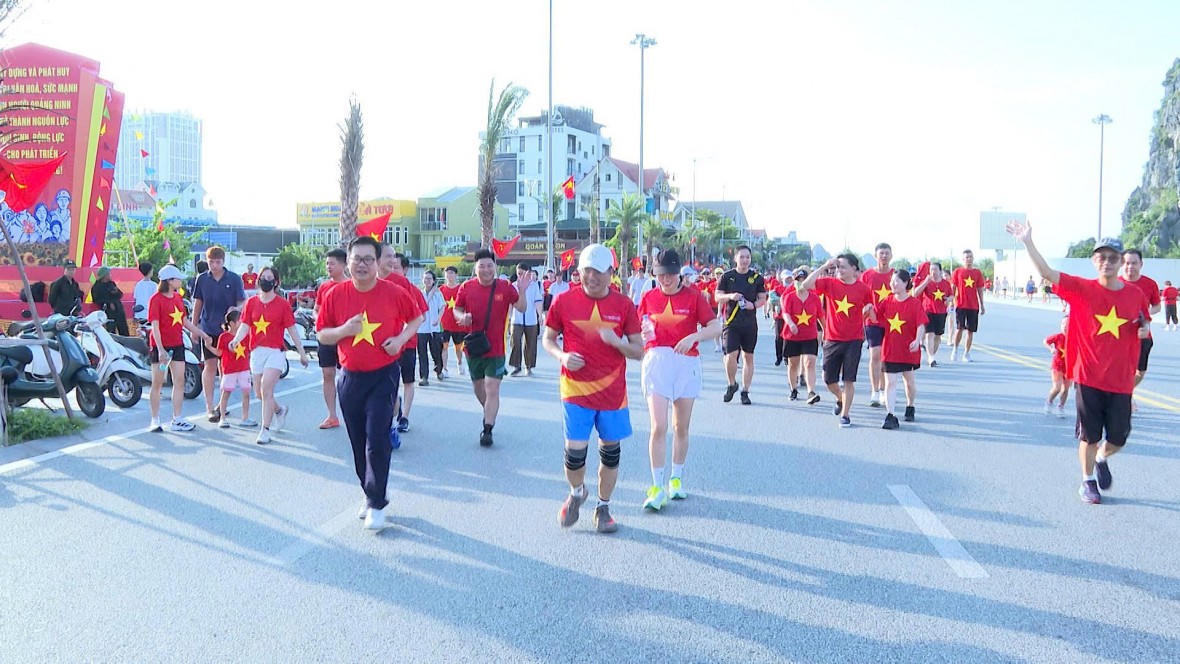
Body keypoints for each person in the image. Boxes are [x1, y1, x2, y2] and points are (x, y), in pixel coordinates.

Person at [1008, 222, 1150, 505]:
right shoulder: (1082, 288)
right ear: (1094, 261)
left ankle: (1102, 458)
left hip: (1121, 380)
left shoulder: (1135, 295)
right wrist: (1027, 242)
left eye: (1113, 257)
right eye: (1102, 257)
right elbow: (1047, 273)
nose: (1107, 262)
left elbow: (1143, 321)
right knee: (1089, 435)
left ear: (1120, 261)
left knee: (1119, 438)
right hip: (1088, 376)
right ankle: (1087, 481)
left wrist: (1144, 329)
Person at [318, 236, 422, 531]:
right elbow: (323, 334)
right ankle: (370, 491)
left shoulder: (393, 292)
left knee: (377, 438)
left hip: (383, 374)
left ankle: (377, 503)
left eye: (368, 259)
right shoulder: (335, 294)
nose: (362, 264)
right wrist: (344, 330)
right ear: (348, 262)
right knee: (358, 441)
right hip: (350, 377)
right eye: (357, 259)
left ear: (377, 263)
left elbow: (416, 318)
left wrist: (400, 339)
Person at [543, 243, 643, 532]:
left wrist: (618, 343)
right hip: (575, 390)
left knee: (610, 453)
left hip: (612, 393)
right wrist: (562, 356)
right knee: (574, 454)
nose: (592, 277)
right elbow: (548, 339)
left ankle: (603, 507)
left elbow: (638, 350)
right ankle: (577, 493)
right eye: (587, 271)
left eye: (598, 272)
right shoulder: (564, 301)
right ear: (579, 271)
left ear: (611, 272)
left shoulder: (624, 305)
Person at [635, 249, 721, 511]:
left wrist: (694, 337)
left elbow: (716, 327)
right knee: (658, 427)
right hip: (657, 362)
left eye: (670, 274)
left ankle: (676, 479)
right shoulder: (648, 297)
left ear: (679, 274)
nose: (666, 279)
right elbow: (638, 327)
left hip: (686, 363)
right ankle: (657, 486)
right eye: (661, 275)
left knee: (680, 426)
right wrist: (642, 334)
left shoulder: (694, 297)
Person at [453, 248, 534, 447]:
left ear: (495, 267)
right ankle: (489, 410)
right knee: (479, 388)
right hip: (473, 347)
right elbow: (457, 309)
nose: (486, 270)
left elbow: (522, 307)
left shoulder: (505, 287)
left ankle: (487, 429)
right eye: (482, 266)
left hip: (496, 348)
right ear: (475, 268)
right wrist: (462, 317)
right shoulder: (466, 287)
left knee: (492, 388)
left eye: (490, 266)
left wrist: (522, 291)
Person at [231, 266, 308, 444]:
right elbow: (245, 326)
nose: (266, 280)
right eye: (263, 277)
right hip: (257, 351)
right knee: (259, 393)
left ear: (276, 282)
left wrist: (302, 352)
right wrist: (236, 340)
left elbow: (292, 329)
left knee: (267, 389)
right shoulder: (251, 303)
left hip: (275, 351)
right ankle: (279, 410)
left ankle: (264, 430)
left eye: (269, 277)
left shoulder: (283, 304)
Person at [798, 254, 876, 428]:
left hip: (854, 339)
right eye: (837, 267)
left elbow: (870, 311)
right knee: (828, 379)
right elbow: (805, 285)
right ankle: (841, 398)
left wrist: (868, 310)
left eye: (843, 267)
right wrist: (824, 266)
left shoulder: (863, 289)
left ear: (854, 269)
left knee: (849, 379)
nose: (839, 270)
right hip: (832, 338)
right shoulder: (829, 283)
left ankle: (845, 415)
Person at [147, 265, 210, 433]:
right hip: (161, 348)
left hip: (177, 345)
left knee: (179, 381)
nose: (180, 281)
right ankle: (155, 419)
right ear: (169, 281)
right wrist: (161, 350)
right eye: (177, 279)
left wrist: (202, 334)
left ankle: (177, 418)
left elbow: (184, 321)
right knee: (158, 383)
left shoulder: (177, 298)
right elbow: (155, 326)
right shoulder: (155, 299)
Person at [190, 246, 246, 423]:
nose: (214, 265)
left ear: (223, 261)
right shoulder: (202, 279)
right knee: (210, 365)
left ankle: (222, 405)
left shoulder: (234, 279)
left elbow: (242, 302)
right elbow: (198, 303)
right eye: (211, 262)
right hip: (208, 328)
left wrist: (236, 308)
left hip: (229, 331)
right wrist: (194, 328)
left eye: (218, 262)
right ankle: (209, 407)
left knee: (226, 368)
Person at [380, 249, 429, 433]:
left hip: (408, 344)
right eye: (390, 264)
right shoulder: (376, 284)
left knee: (408, 381)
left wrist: (404, 333)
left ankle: (405, 417)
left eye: (396, 266)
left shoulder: (410, 288)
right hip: (387, 345)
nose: (393, 269)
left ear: (405, 269)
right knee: (390, 384)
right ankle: (395, 406)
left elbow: (421, 316)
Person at [875, 269, 927, 429]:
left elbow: (921, 324)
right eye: (891, 281)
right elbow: (875, 317)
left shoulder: (914, 303)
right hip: (890, 349)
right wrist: (868, 310)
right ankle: (890, 415)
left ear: (905, 283)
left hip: (908, 349)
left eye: (896, 281)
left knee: (909, 381)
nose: (892, 284)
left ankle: (910, 405)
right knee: (890, 382)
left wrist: (917, 340)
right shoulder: (887, 301)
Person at [715, 245, 768, 405]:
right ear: (736, 258)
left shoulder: (757, 278)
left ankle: (745, 391)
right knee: (730, 355)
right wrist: (731, 296)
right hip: (731, 323)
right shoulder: (727, 276)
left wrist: (754, 305)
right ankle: (732, 384)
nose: (745, 260)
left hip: (749, 324)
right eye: (742, 257)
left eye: (747, 257)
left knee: (748, 357)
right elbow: (717, 296)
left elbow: (762, 298)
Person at [1119, 249, 1162, 400]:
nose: (1130, 266)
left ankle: (1126, 393)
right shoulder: (1115, 283)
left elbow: (1157, 306)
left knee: (1140, 372)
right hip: (1120, 336)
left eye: (1134, 263)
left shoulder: (1150, 284)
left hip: (1143, 335)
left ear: (1141, 264)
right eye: (1126, 263)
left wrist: (1145, 313)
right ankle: (1121, 397)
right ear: (1121, 264)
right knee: (1121, 370)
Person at [314, 248, 349, 428]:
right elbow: (316, 309)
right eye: (327, 263)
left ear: (343, 265)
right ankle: (332, 415)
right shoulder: (324, 287)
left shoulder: (351, 285)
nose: (328, 266)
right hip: (327, 337)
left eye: (332, 263)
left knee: (349, 376)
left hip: (346, 337)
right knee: (327, 374)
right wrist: (318, 319)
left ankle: (353, 414)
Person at [207, 310, 255, 429]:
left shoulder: (246, 335)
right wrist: (208, 346)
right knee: (226, 393)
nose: (242, 323)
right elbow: (219, 353)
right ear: (232, 323)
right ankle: (222, 418)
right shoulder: (224, 337)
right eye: (239, 321)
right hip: (229, 370)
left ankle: (245, 418)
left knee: (246, 393)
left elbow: (251, 348)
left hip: (244, 368)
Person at [859, 243, 894, 407]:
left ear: (891, 255)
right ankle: (875, 391)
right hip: (872, 320)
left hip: (893, 322)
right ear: (876, 256)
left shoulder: (895, 275)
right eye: (881, 253)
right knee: (875, 355)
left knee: (886, 357)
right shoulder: (867, 275)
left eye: (887, 253)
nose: (884, 256)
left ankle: (883, 389)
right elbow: (859, 295)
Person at [781, 266, 823, 404]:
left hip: (810, 336)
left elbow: (821, 317)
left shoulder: (815, 298)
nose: (801, 282)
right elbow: (785, 313)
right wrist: (791, 324)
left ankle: (811, 392)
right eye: (798, 280)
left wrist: (827, 332)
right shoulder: (790, 297)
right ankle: (793, 389)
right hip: (792, 336)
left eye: (804, 280)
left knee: (810, 362)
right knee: (793, 364)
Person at [508, 262, 545, 377]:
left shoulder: (534, 286)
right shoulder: (513, 286)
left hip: (531, 319)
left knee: (531, 343)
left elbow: (538, 301)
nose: (519, 276)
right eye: (518, 273)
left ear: (527, 273)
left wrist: (540, 316)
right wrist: (509, 317)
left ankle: (528, 367)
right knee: (515, 341)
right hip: (516, 319)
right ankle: (516, 366)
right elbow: (510, 303)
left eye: (521, 273)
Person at [950, 250, 986, 362]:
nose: (969, 259)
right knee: (959, 328)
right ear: (963, 259)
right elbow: (953, 288)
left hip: (973, 306)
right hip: (961, 304)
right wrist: (951, 302)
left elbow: (980, 289)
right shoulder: (958, 271)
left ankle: (966, 353)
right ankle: (955, 349)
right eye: (967, 257)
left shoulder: (977, 273)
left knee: (970, 330)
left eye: (970, 257)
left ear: (973, 258)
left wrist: (982, 304)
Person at [438, 266, 468, 376]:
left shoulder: (461, 288)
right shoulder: (441, 289)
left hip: (458, 324)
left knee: (458, 348)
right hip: (444, 324)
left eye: (451, 273)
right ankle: (445, 368)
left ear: (456, 275)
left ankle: (460, 363)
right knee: (444, 347)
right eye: (447, 273)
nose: (449, 275)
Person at [920, 263, 952, 367]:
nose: (933, 272)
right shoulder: (927, 282)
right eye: (931, 270)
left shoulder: (946, 284)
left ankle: (931, 354)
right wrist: (925, 282)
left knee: (938, 336)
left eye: (935, 270)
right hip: (928, 311)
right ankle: (931, 358)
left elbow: (951, 295)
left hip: (941, 312)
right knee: (929, 334)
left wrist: (949, 299)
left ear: (940, 271)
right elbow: (915, 293)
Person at [417, 270, 446, 384]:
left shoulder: (438, 294)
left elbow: (442, 307)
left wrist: (438, 319)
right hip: (422, 328)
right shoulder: (419, 293)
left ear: (433, 280)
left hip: (434, 328)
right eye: (425, 278)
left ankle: (439, 370)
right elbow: (419, 307)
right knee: (422, 353)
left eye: (429, 278)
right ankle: (424, 377)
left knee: (436, 352)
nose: (427, 281)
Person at [90, 266, 130, 336]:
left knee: (124, 330)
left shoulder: (111, 283)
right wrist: (108, 303)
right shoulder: (96, 287)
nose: (110, 275)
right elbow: (96, 300)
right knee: (111, 332)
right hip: (107, 313)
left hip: (118, 310)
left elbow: (120, 295)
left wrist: (116, 292)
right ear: (104, 276)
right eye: (108, 274)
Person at [1044, 316, 1070, 418]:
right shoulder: (1058, 336)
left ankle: (1061, 407)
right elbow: (1045, 341)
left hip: (1069, 367)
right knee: (1057, 388)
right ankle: (1049, 402)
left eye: (1067, 324)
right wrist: (1051, 348)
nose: (1065, 326)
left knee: (1065, 389)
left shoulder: (1074, 337)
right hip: (1057, 365)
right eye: (1063, 324)